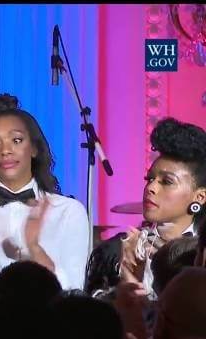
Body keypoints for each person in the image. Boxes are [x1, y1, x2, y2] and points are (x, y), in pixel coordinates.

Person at [0, 93, 89, 310]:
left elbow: (71, 290)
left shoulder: (69, 211)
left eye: (16, 140)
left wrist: (34, 248)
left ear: (34, 148)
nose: (5, 151)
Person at [85, 117, 206, 299]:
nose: (151, 188)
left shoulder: (202, 252)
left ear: (200, 197)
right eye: (149, 179)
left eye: (167, 182)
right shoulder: (116, 252)